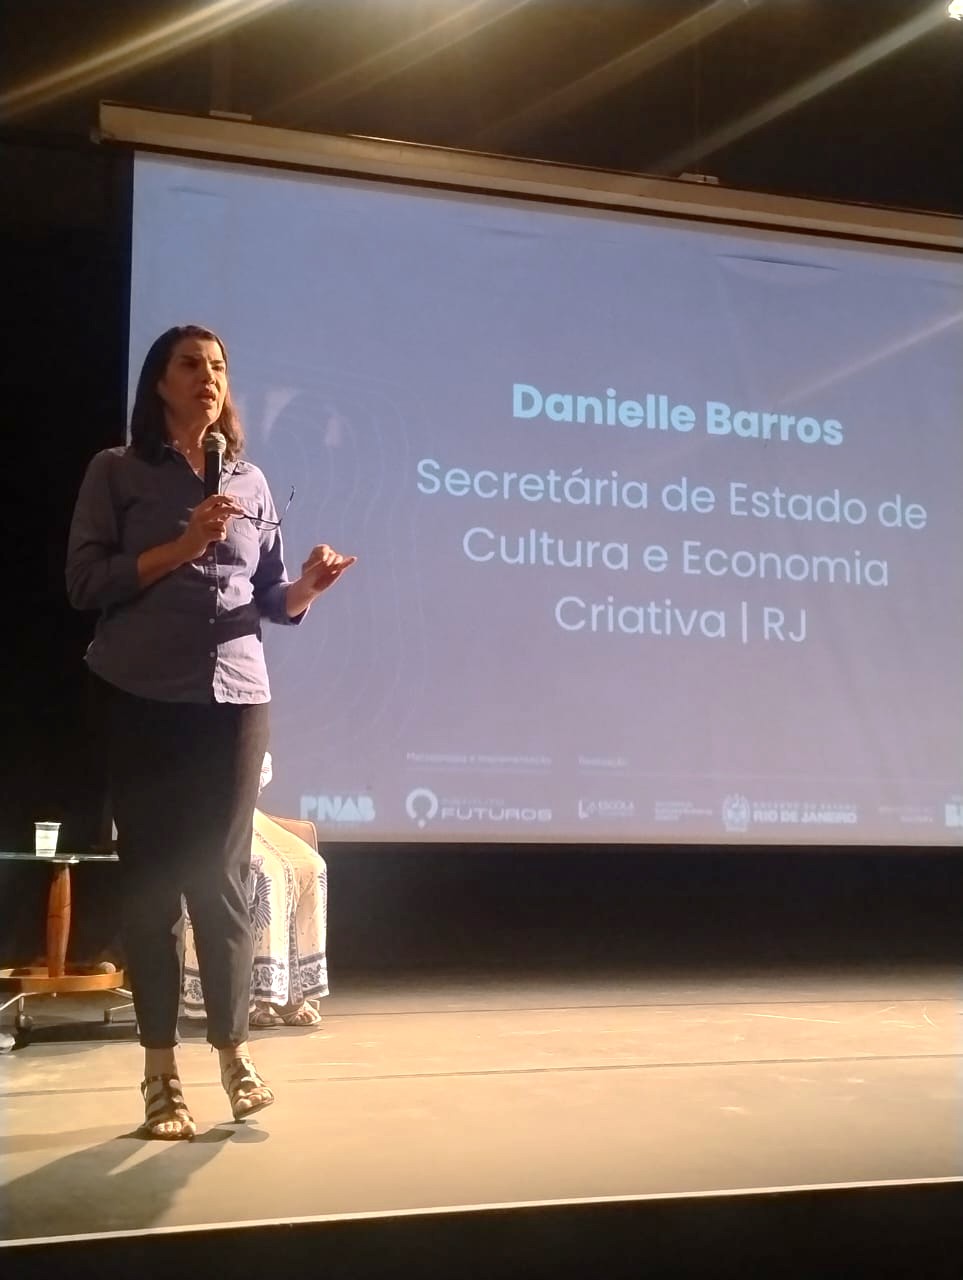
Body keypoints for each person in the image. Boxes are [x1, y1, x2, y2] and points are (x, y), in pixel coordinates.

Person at [66, 325, 355, 1140]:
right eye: (191, 365)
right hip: (140, 694)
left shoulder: (251, 480)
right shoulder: (117, 471)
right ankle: (160, 1073)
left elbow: (267, 598)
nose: (209, 377)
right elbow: (85, 582)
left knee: (224, 879)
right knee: (154, 882)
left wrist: (308, 587)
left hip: (235, 698)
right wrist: (182, 544)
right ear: (159, 383)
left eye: (219, 366)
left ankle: (233, 1052)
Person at [182, 753, 329, 1028]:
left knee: (311, 865)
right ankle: (252, 997)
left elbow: (260, 762)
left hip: (241, 810)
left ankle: (288, 988)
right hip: (198, 814)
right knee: (265, 872)